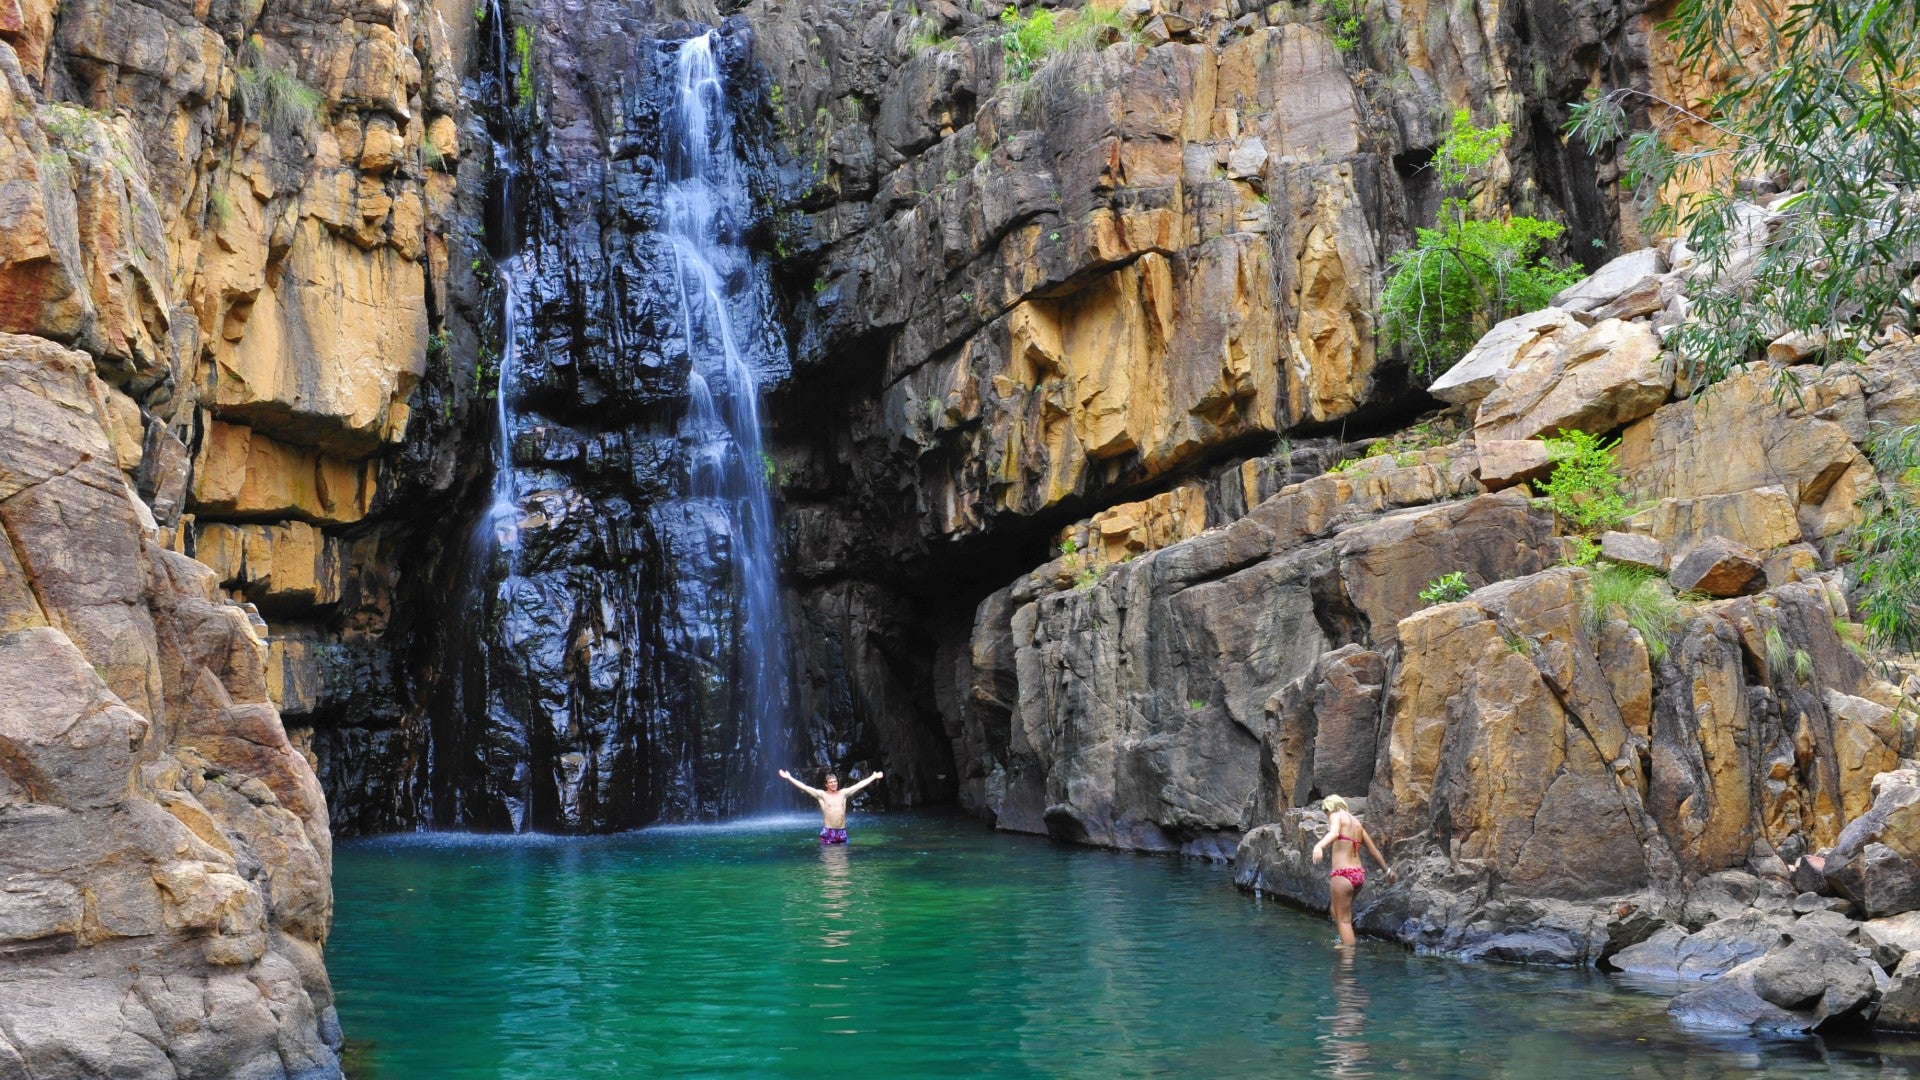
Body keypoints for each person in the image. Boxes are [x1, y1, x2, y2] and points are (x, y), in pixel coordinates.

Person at [1309, 794, 1396, 948]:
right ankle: (1345, 939)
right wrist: (1387, 871)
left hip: (1342, 875)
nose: (1328, 816)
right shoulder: (1357, 823)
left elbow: (1334, 833)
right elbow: (1374, 850)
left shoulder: (1336, 815)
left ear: (1332, 807)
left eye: (1327, 812)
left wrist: (1319, 846)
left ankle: (1347, 957)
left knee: (1343, 920)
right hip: (1358, 875)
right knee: (1336, 911)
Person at [778, 768, 882, 844]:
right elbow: (805, 787)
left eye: (835, 781)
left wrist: (873, 776)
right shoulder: (822, 795)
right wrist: (789, 777)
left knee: (843, 860)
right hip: (828, 832)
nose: (833, 784)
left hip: (842, 831)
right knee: (830, 860)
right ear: (826, 785)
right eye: (831, 782)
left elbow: (859, 785)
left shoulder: (843, 793)